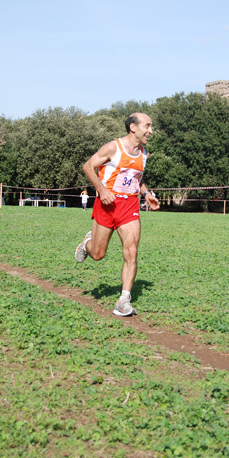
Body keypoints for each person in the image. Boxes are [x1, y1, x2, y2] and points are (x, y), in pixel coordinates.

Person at [74, 113, 160, 316]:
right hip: (106, 205)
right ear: (133, 127)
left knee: (131, 252)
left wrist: (146, 194)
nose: (151, 131)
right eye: (147, 126)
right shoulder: (114, 147)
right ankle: (87, 243)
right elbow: (88, 166)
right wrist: (102, 190)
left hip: (129, 206)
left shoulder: (144, 154)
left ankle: (124, 300)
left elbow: (135, 178)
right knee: (98, 254)